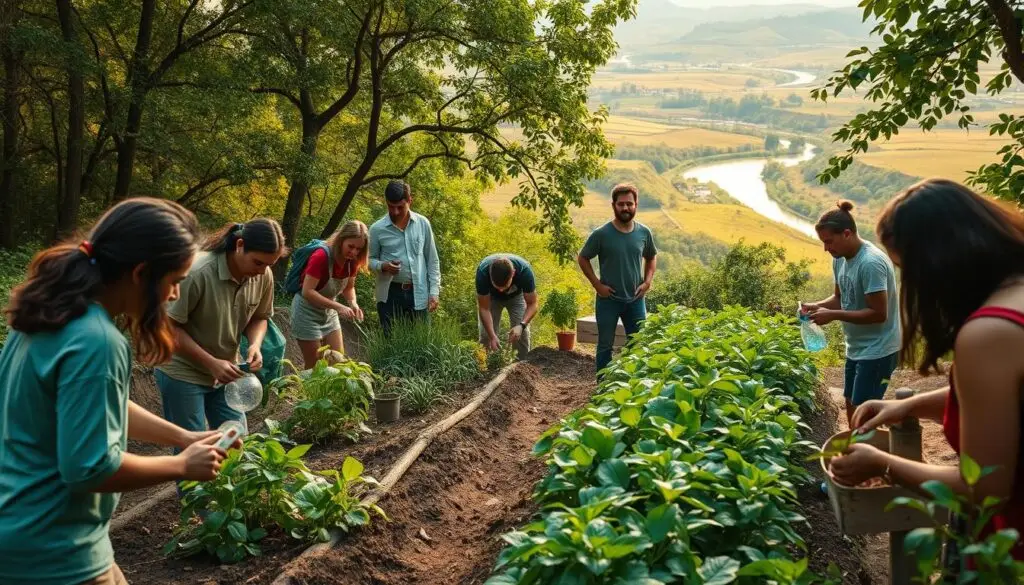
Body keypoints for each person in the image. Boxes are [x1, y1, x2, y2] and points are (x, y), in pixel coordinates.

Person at [0, 198, 232, 585]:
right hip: (55, 550)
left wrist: (183, 436)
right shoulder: (98, 341)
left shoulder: (47, 311)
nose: (174, 295)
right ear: (141, 273)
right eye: (174, 281)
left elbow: (93, 407)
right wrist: (181, 465)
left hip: (23, 527)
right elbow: (88, 468)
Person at [828, 179, 1024, 562]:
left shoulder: (990, 333)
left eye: (909, 271)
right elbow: (1005, 397)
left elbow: (985, 488)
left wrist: (883, 463)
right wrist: (908, 406)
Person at [156, 218, 286, 443]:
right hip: (182, 372)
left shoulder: (263, 275)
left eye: (269, 265)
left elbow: (259, 317)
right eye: (258, 262)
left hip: (227, 372)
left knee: (235, 444)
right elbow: (167, 327)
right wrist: (211, 363)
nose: (263, 270)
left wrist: (255, 344)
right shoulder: (197, 272)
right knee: (194, 449)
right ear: (239, 246)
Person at [802, 200, 901, 426]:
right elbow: (839, 298)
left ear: (847, 233)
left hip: (879, 349)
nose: (826, 248)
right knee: (850, 401)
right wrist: (817, 306)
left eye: (829, 241)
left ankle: (874, 453)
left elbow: (878, 313)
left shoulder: (870, 263)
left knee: (864, 410)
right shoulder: (841, 259)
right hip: (856, 346)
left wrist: (834, 315)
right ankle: (857, 449)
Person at [577, 183, 658, 377]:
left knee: (638, 343)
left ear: (636, 204)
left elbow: (652, 256)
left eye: (629, 204)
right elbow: (583, 258)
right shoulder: (601, 234)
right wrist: (597, 285)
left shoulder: (643, 233)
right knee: (605, 345)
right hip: (608, 300)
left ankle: (633, 384)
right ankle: (603, 388)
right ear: (613, 205)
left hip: (635, 299)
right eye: (621, 204)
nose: (625, 208)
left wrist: (647, 282)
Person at [291, 220, 369, 368]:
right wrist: (339, 307)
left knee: (338, 363)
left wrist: (353, 303)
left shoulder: (352, 261)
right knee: (315, 366)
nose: (354, 252)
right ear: (341, 240)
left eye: (358, 249)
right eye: (350, 247)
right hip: (306, 312)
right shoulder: (321, 256)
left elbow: (349, 288)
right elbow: (307, 291)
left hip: (329, 313)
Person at [368, 180, 441, 336]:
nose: (394, 212)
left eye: (400, 207)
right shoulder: (377, 229)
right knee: (390, 341)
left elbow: (432, 260)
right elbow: (368, 260)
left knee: (421, 342)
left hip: (419, 292)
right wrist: (383, 266)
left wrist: (434, 292)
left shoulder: (423, 224)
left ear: (410, 201)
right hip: (389, 294)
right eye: (390, 206)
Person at [476, 253, 539, 359]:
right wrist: (492, 336)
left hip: (516, 298)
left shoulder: (524, 270)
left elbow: (532, 304)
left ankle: (521, 366)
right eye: (497, 286)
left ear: (513, 273)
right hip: (491, 299)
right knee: (486, 336)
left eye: (505, 286)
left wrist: (522, 325)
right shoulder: (483, 272)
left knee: (521, 334)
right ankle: (483, 369)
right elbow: (484, 308)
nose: (501, 290)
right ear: (490, 275)